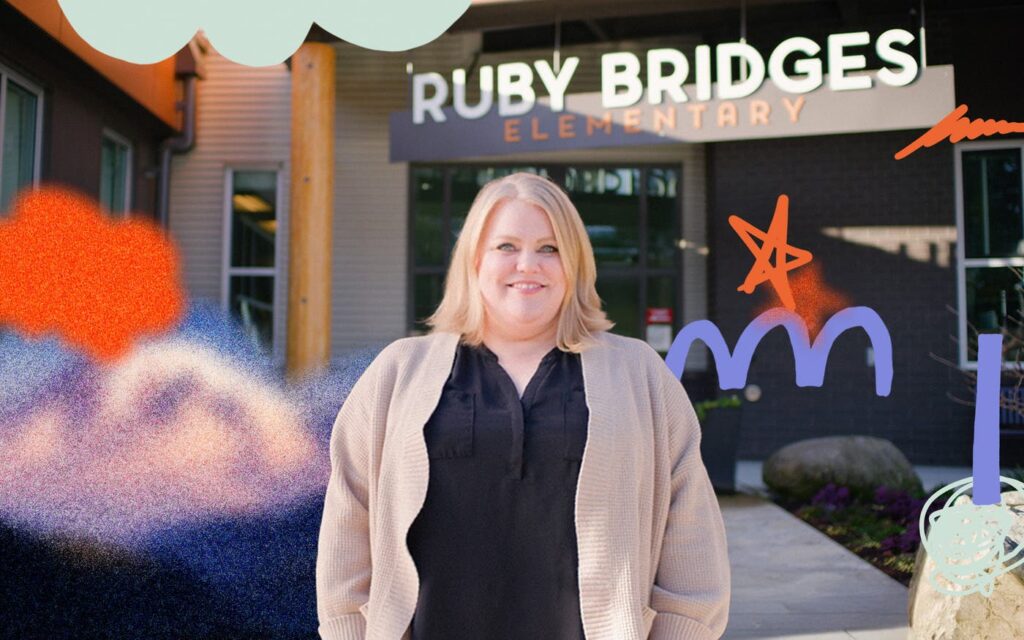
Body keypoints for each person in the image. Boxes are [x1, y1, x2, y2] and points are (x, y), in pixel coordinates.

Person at [316, 172, 730, 640]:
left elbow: (691, 531)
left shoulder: (638, 373)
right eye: (506, 246)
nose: (527, 265)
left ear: (574, 263)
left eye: (549, 249)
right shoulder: (399, 372)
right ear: (474, 260)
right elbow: (348, 516)